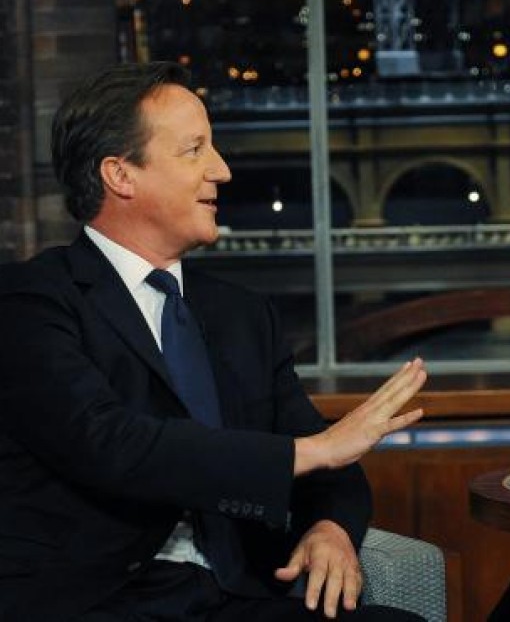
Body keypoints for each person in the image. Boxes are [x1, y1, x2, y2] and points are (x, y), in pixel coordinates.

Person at [0, 62, 428, 621]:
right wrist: (312, 452)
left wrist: (331, 528)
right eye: (194, 150)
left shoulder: (242, 315)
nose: (222, 171)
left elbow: (328, 463)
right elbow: (111, 444)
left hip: (232, 596)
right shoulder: (31, 301)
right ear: (120, 175)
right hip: (96, 600)